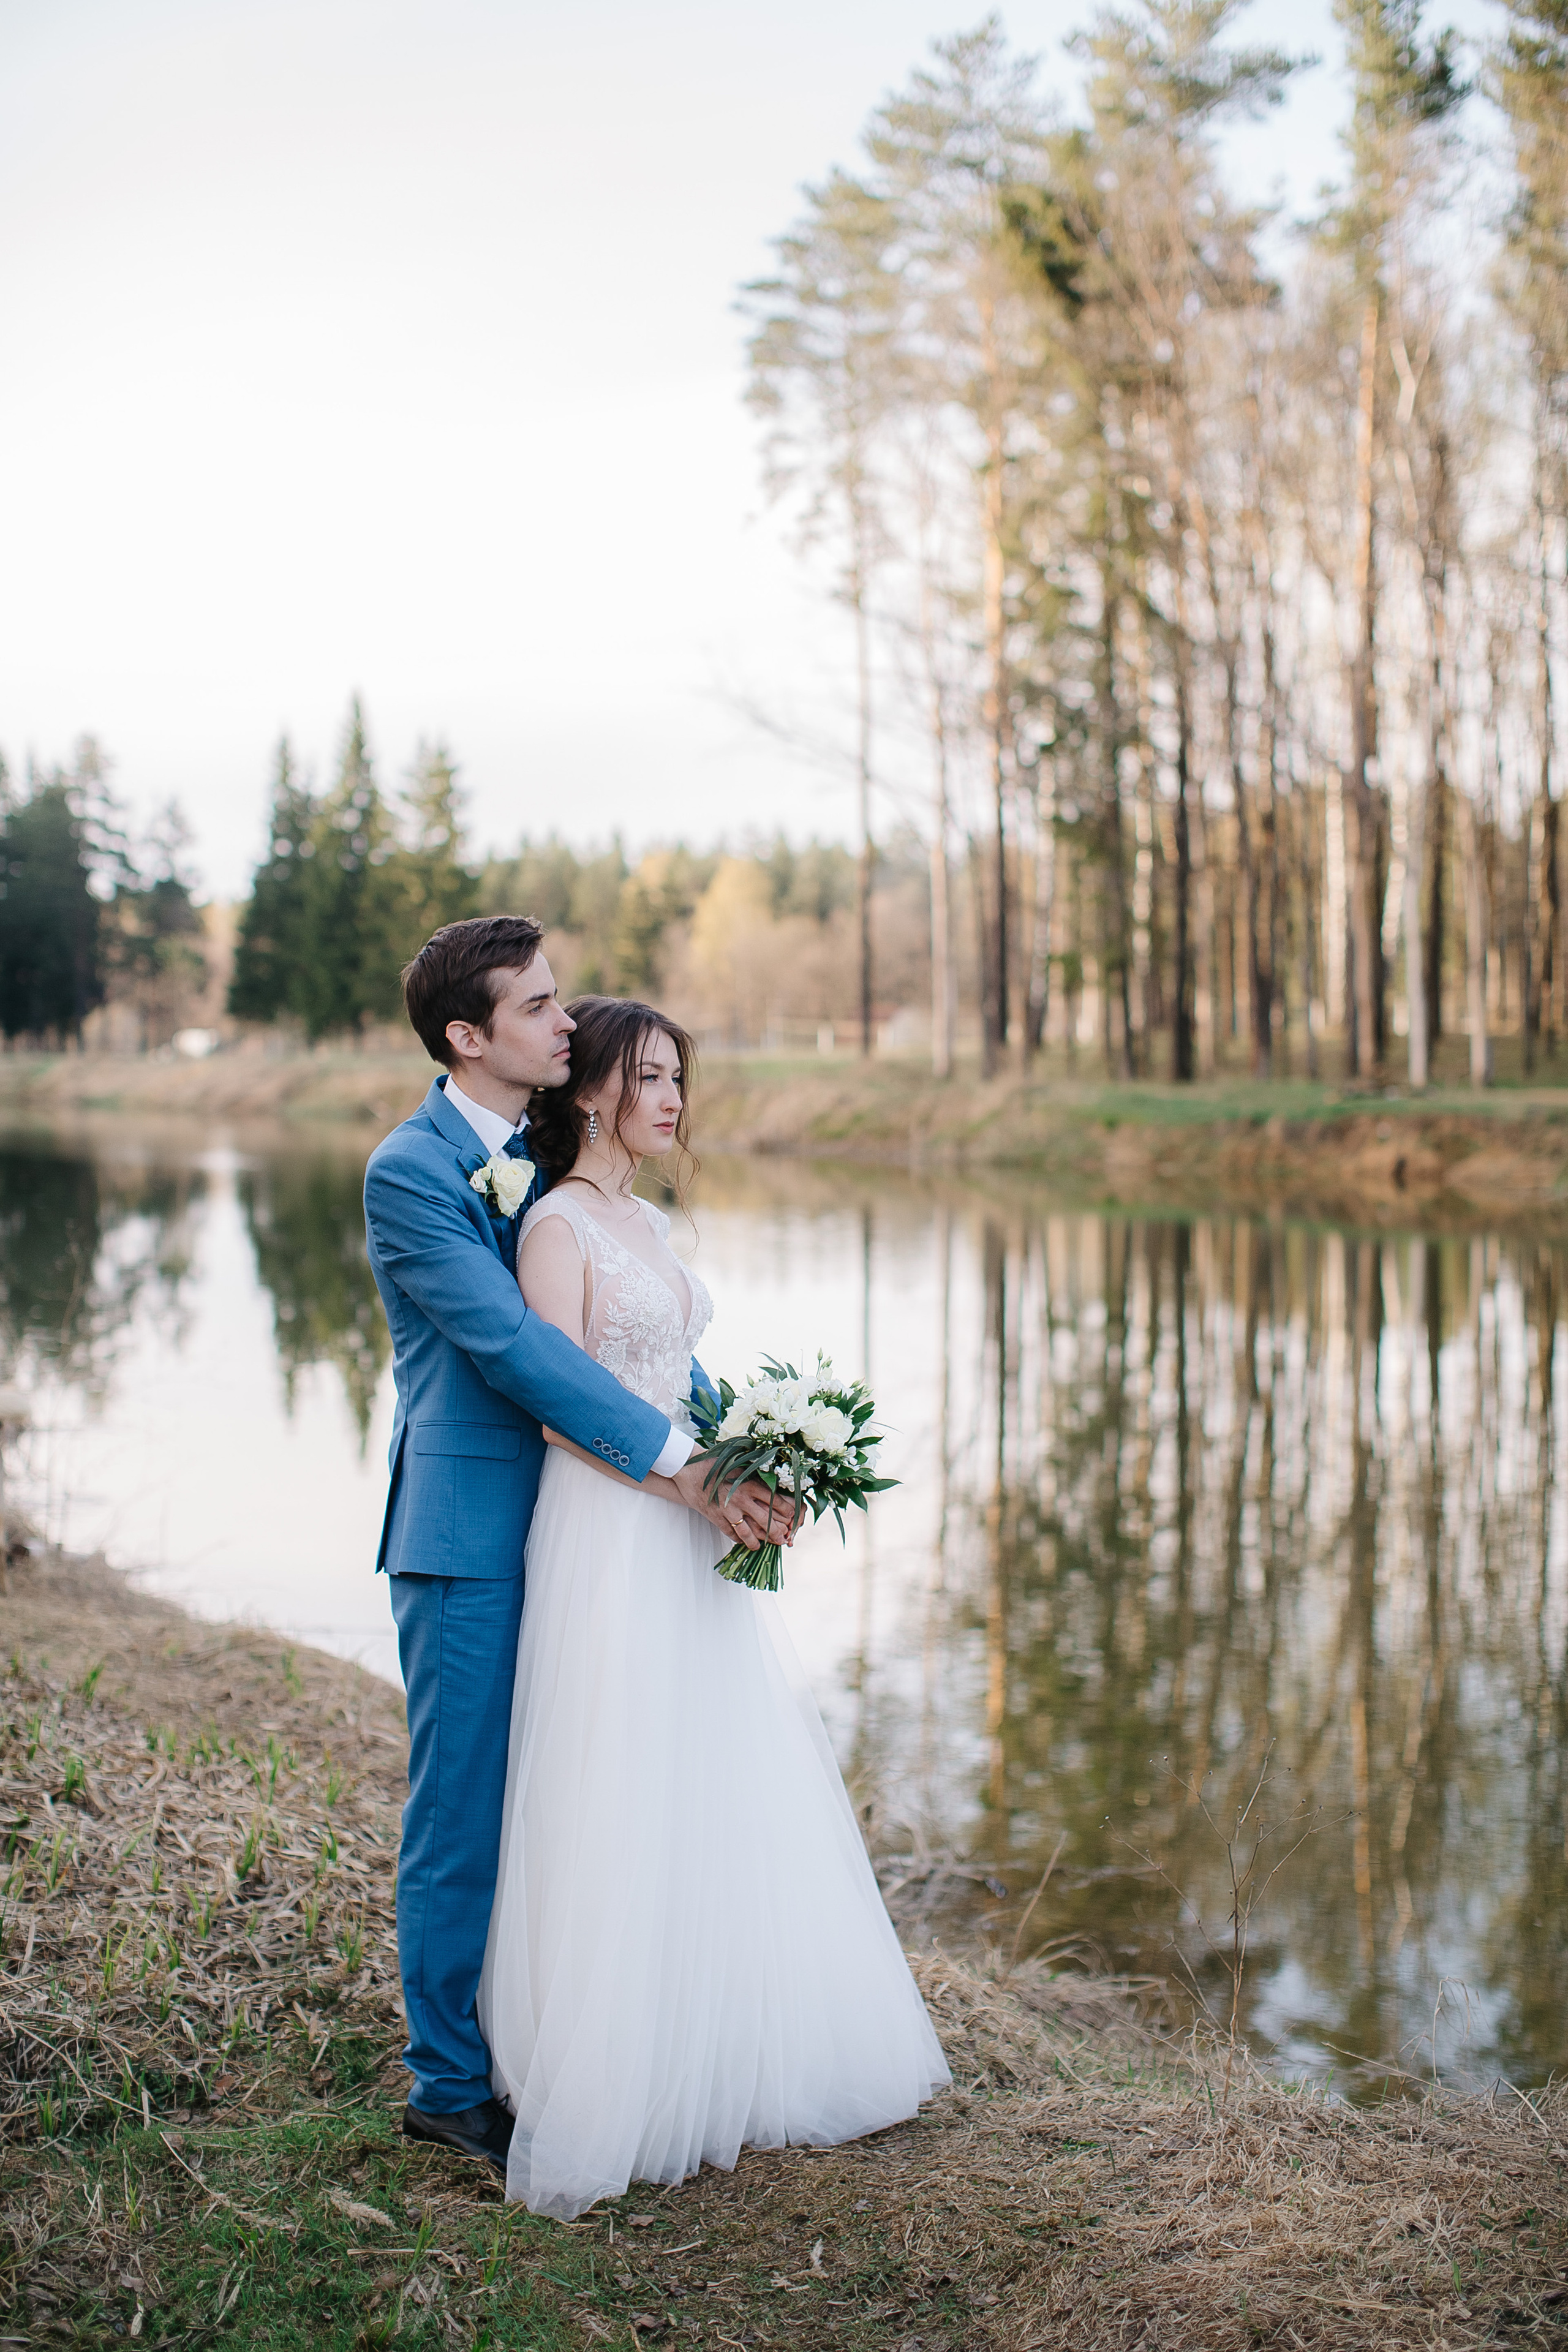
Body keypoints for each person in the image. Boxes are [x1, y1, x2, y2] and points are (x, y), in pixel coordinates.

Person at [477, 993, 949, 2218]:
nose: (673, 1098)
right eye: (649, 1077)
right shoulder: (558, 1228)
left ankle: (722, 2031)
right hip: (613, 1529)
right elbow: (558, 1410)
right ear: (593, 1093)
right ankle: (614, 2069)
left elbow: (676, 1378)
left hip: (688, 1514)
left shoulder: (646, 1220)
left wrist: (749, 1468)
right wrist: (682, 1487)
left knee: (705, 1766)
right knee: (619, 1772)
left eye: (679, 1077)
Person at [363, 916, 790, 2177]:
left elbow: (627, 1334)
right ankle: (447, 2084)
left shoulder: (544, 1166)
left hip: (578, 1522)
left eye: (562, 1008)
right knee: (464, 1814)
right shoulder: (412, 1169)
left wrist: (746, 1451)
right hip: (468, 1534)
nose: (565, 1021)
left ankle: (559, 2038)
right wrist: (680, 1471)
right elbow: (516, 1350)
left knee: (578, 1799)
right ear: (468, 1036)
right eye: (539, 1006)